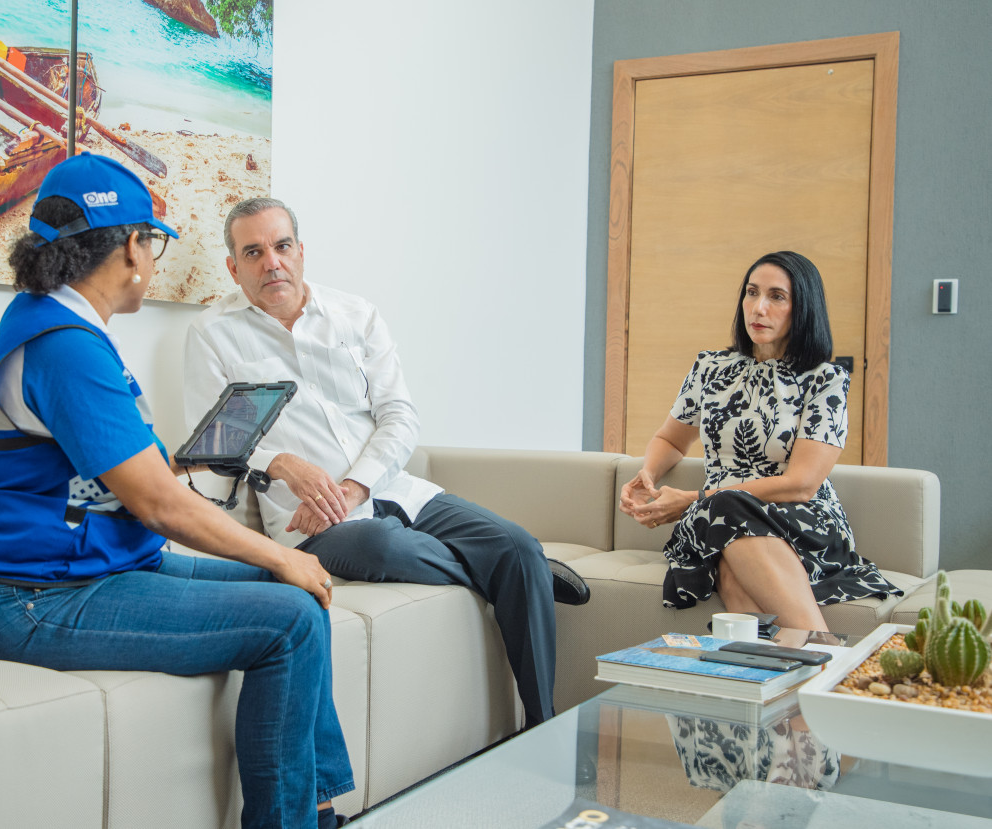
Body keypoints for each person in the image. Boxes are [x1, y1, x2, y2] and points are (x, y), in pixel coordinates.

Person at [0, 154, 354, 829]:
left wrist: (191, 462)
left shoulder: (58, 324)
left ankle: (319, 806)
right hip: (19, 599)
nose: (151, 260)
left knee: (297, 593)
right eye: (152, 244)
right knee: (292, 613)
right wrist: (282, 553)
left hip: (76, 574)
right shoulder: (65, 344)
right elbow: (155, 504)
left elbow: (126, 473)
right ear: (132, 246)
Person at [183, 197, 590, 729]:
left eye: (282, 246)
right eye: (253, 253)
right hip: (312, 524)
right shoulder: (212, 334)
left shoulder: (356, 314)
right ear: (234, 267)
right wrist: (282, 463)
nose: (272, 263)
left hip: (394, 488)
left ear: (301, 251)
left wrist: (356, 485)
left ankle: (542, 725)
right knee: (384, 544)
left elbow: (399, 416)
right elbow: (211, 445)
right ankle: (519, 574)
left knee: (514, 543)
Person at [619, 250, 900, 630]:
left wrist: (694, 499)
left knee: (727, 530)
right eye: (751, 293)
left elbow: (801, 484)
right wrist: (648, 475)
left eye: (776, 297)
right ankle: (819, 656)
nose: (758, 307)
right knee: (727, 529)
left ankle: (818, 648)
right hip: (717, 517)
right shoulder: (710, 368)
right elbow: (671, 439)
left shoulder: (825, 379)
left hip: (799, 518)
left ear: (803, 308)